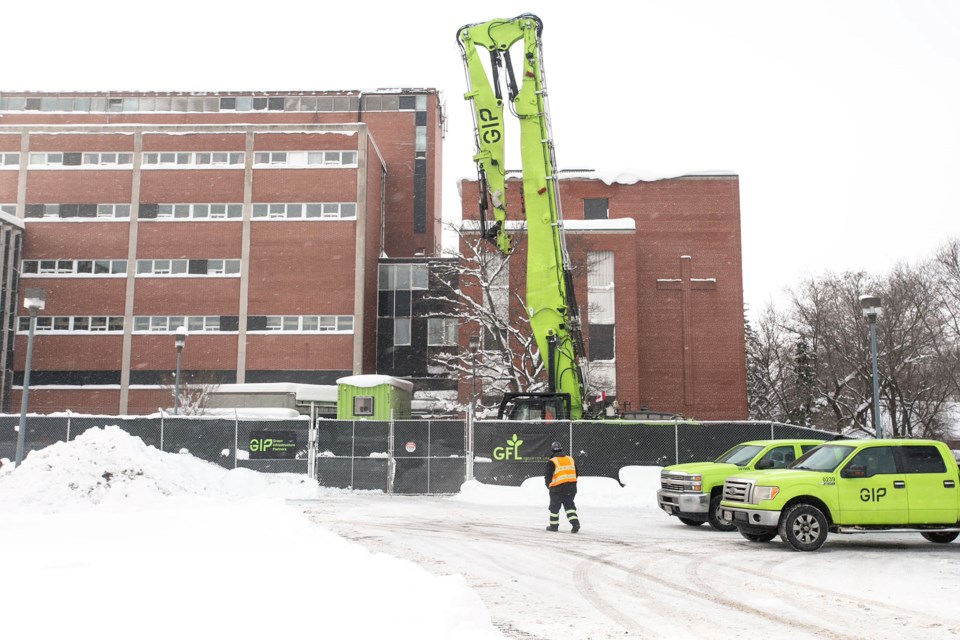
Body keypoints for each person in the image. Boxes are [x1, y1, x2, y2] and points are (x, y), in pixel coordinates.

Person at [544, 441, 580, 533]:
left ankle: (554, 526)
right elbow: (576, 472)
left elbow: (548, 476)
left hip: (557, 488)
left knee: (554, 507)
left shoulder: (552, 461)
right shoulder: (570, 459)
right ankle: (575, 524)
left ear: (552, 450)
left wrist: (549, 486)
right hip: (571, 487)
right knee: (569, 506)